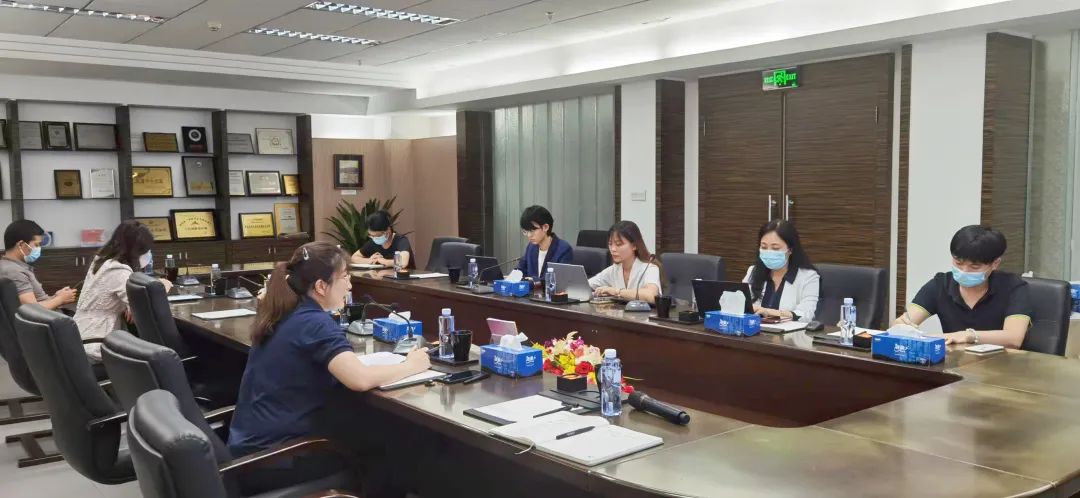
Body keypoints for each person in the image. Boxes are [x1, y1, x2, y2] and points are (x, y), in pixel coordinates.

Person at [228, 241, 430, 494]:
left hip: (250, 452)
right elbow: (360, 379)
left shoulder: (283, 310)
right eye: (345, 277)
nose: (350, 285)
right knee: (387, 450)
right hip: (278, 459)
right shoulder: (314, 323)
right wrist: (412, 364)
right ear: (321, 286)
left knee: (371, 433)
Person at [896, 225, 1032, 348]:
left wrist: (969, 336)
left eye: (974, 267)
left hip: (1001, 363)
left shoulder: (1013, 287)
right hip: (955, 363)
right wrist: (902, 327)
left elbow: (1014, 338)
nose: (964, 271)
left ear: (995, 264)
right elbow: (904, 322)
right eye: (958, 263)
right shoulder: (940, 284)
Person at [74, 221, 173, 362]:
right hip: (96, 343)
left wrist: (129, 304)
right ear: (136, 251)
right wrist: (163, 285)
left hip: (81, 336)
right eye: (146, 250)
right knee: (157, 358)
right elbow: (147, 304)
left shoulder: (102, 261)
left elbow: (123, 297)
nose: (148, 254)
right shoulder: (118, 270)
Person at [742, 220, 820, 323]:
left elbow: (806, 314)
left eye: (775, 248)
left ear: (790, 250)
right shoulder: (753, 271)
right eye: (764, 247)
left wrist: (769, 312)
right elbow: (741, 303)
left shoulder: (808, 277)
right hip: (754, 330)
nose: (768, 252)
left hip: (789, 332)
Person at [0, 220, 77, 310]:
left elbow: (38, 301)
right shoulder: (13, 271)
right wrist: (60, 299)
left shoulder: (14, 267)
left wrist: (56, 297)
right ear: (21, 244)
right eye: (36, 245)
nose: (38, 249)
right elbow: (32, 310)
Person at [588, 221, 662, 304]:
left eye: (618, 244)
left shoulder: (649, 268)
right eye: (610, 244)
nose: (613, 249)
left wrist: (616, 291)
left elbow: (651, 296)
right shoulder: (614, 270)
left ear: (634, 245)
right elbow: (584, 285)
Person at [515, 205, 573, 284]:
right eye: (526, 231)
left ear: (545, 227)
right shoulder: (531, 247)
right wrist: (513, 276)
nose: (529, 235)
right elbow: (521, 269)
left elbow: (559, 281)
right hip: (531, 292)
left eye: (532, 231)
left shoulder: (564, 250)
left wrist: (533, 280)